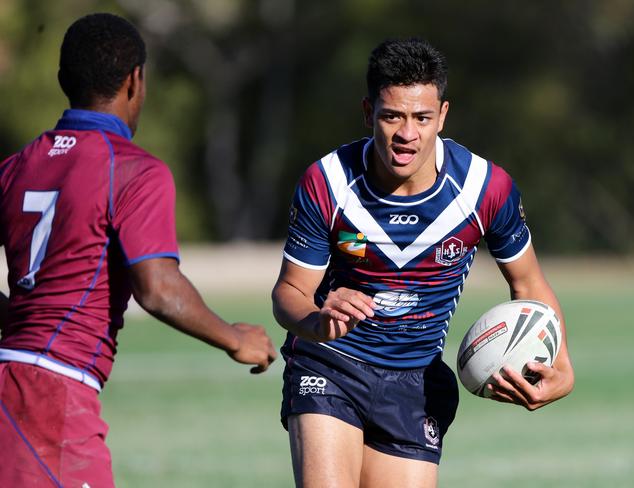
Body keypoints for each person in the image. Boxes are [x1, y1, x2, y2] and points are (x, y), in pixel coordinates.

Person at [272, 38, 574, 488]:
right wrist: (316, 321)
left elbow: (529, 286)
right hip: (331, 364)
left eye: (422, 117)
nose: (406, 134)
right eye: (391, 115)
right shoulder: (328, 183)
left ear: (443, 115)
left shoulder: (484, 189)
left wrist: (563, 366)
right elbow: (289, 293)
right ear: (367, 111)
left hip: (416, 382)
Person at [0, 13, 277, 487]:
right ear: (135, 81)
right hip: (52, 397)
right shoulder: (133, 170)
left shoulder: (15, 165)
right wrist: (236, 338)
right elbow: (159, 289)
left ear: (64, 80)